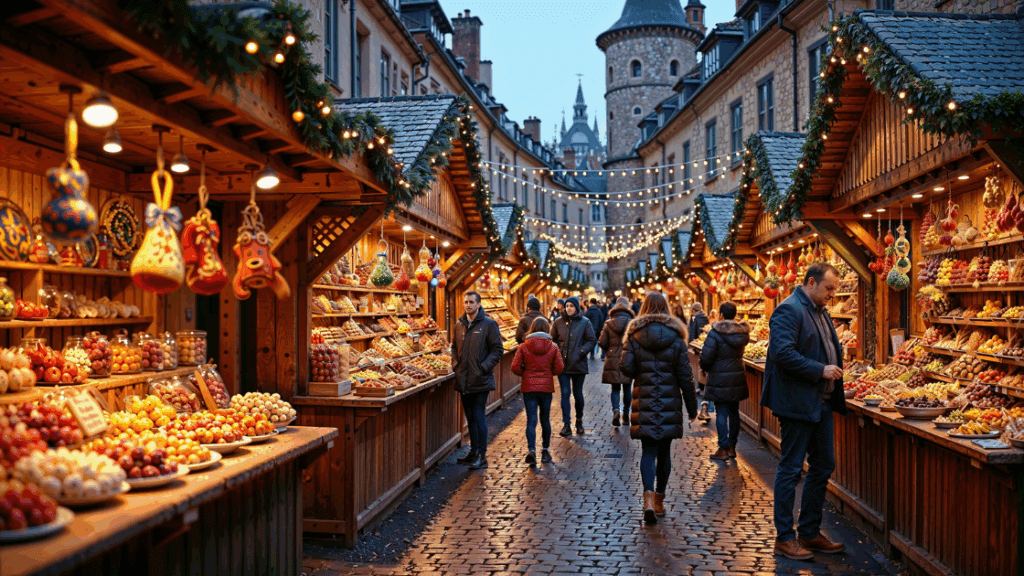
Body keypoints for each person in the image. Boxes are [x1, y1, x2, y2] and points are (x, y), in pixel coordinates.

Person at [761, 262, 848, 560]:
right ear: (811, 282)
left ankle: (809, 531)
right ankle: (785, 538)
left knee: (824, 465)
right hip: (797, 403)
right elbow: (782, 354)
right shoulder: (789, 309)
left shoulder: (820, 312)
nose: (832, 295)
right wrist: (820, 369)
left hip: (820, 403)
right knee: (791, 468)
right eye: (829, 289)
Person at [620, 292, 698, 525]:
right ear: (666, 308)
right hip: (669, 401)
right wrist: (692, 409)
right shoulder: (676, 336)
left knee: (648, 451)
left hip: (644, 399)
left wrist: (640, 369)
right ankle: (660, 500)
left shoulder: (634, 335)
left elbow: (625, 367)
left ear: (643, 307)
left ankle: (647, 499)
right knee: (664, 452)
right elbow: (686, 376)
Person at [451, 291, 504, 470]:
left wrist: (483, 367)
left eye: (472, 302)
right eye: (465, 302)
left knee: (479, 415)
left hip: (480, 379)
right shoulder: (459, 324)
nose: (468, 305)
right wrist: (455, 364)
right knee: (470, 417)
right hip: (464, 378)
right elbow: (454, 347)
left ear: (479, 304)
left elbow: (497, 350)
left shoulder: (489, 324)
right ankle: (473, 451)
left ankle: (482, 454)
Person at [699, 301, 751, 461]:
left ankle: (722, 447)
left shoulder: (715, 333)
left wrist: (706, 368)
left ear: (721, 314)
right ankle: (732, 447)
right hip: (736, 377)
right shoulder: (742, 333)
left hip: (719, 378)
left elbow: (706, 358)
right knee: (734, 412)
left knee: (721, 412)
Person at [511, 317, 563, 465]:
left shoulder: (523, 346)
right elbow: (559, 368)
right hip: (546, 388)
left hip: (529, 388)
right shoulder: (553, 347)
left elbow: (515, 367)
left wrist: (526, 374)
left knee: (531, 420)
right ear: (547, 329)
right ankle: (545, 451)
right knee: (545, 420)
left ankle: (531, 450)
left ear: (532, 328)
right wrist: (548, 374)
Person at [550, 296, 596, 436]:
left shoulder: (585, 322)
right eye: (567, 305)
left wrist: (581, 352)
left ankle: (579, 421)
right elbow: (553, 340)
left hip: (578, 363)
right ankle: (566, 424)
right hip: (562, 365)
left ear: (576, 307)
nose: (569, 308)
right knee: (565, 394)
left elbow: (591, 340)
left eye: (571, 306)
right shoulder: (558, 322)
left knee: (578, 394)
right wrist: (558, 352)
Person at [599, 296, 635, 426]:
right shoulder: (632, 323)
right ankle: (626, 414)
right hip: (628, 358)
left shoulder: (609, 323)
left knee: (615, 388)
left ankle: (615, 410)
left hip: (613, 358)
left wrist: (610, 351)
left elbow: (602, 342)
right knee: (627, 388)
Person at [687, 302, 712, 421]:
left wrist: (690, 343)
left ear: (693, 310)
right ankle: (701, 387)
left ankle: (699, 387)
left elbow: (692, 331)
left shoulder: (694, 317)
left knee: (698, 367)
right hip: (704, 342)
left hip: (697, 344)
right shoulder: (706, 317)